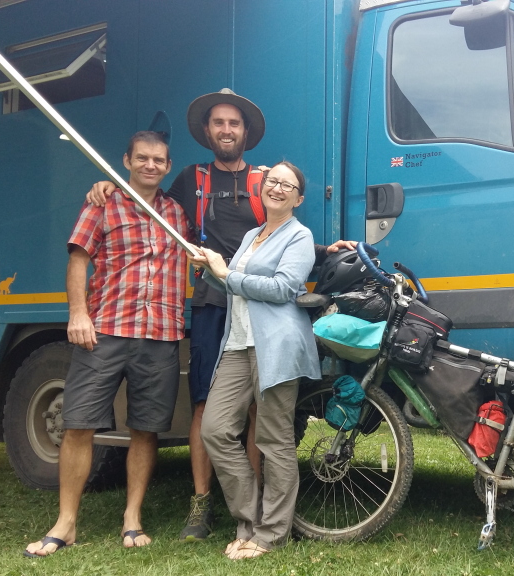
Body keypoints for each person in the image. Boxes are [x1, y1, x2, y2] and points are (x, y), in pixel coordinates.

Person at [85, 89, 353, 542]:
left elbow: (284, 245)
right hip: (217, 309)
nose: (226, 130)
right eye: (218, 123)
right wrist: (113, 187)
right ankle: (204, 502)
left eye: (234, 123)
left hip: (260, 311)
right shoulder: (192, 179)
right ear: (207, 131)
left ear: (246, 132)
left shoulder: (267, 183)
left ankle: (262, 515)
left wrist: (325, 251)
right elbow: (151, 205)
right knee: (208, 411)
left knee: (263, 418)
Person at [25, 131, 190, 557]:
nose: (150, 165)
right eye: (142, 158)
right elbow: (78, 260)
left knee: (146, 429)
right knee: (79, 424)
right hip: (106, 330)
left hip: (161, 334)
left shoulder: (177, 213)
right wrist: (78, 314)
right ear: (127, 161)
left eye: (158, 160)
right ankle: (66, 523)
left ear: (168, 166)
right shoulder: (103, 203)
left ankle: (132, 518)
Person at [190, 161, 321, 560]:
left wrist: (226, 273)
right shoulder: (252, 235)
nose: (277, 188)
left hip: (275, 345)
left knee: (273, 440)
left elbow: (283, 288)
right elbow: (237, 288)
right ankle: (249, 520)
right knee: (215, 430)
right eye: (272, 181)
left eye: (287, 185)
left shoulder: (299, 236)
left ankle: (271, 534)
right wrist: (210, 272)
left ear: (298, 198)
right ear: (261, 188)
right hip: (237, 343)